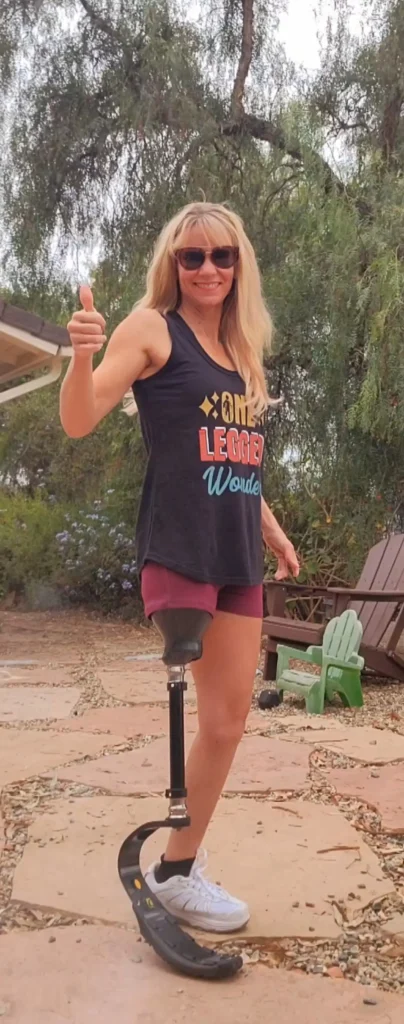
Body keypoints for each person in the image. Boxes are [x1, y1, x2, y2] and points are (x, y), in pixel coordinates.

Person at [61, 201, 299, 933]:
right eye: (191, 256)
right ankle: (177, 867)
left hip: (236, 553)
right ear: (173, 263)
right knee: (207, 713)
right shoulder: (149, 330)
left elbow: (240, 460)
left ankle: (176, 870)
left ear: (239, 266)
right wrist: (81, 355)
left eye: (221, 256)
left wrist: (273, 531)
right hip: (180, 547)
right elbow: (78, 418)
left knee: (228, 722)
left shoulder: (240, 354)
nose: (206, 269)